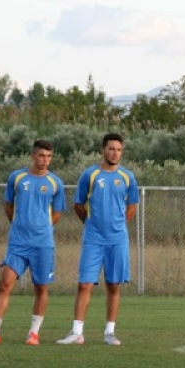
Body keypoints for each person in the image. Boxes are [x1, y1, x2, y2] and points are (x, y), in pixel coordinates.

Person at [0, 140, 66, 346]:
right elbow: (8, 206)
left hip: (43, 244)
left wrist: (42, 227)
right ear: (32, 155)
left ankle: (33, 333)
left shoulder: (55, 183)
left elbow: (57, 213)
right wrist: (21, 225)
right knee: (5, 283)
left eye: (49, 156)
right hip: (18, 242)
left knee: (41, 288)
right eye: (41, 156)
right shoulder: (17, 178)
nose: (45, 160)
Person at [57, 133, 138, 346]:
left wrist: (117, 226)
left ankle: (109, 332)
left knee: (113, 285)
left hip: (117, 240)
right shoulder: (90, 175)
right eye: (111, 149)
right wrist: (92, 224)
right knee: (84, 284)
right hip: (93, 239)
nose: (115, 153)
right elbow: (78, 205)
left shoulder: (128, 177)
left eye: (119, 150)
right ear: (103, 150)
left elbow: (132, 207)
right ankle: (77, 332)